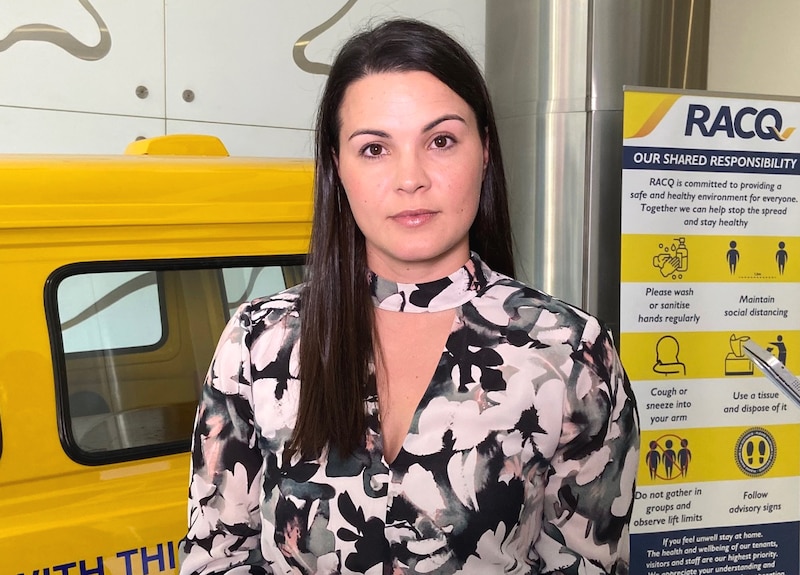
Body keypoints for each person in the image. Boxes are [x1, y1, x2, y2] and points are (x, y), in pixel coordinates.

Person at [180, 18, 639, 575]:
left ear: (486, 150)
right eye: (374, 148)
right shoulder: (260, 344)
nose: (410, 178)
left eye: (440, 140)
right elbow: (217, 555)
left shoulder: (570, 352)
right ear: (336, 167)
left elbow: (587, 563)